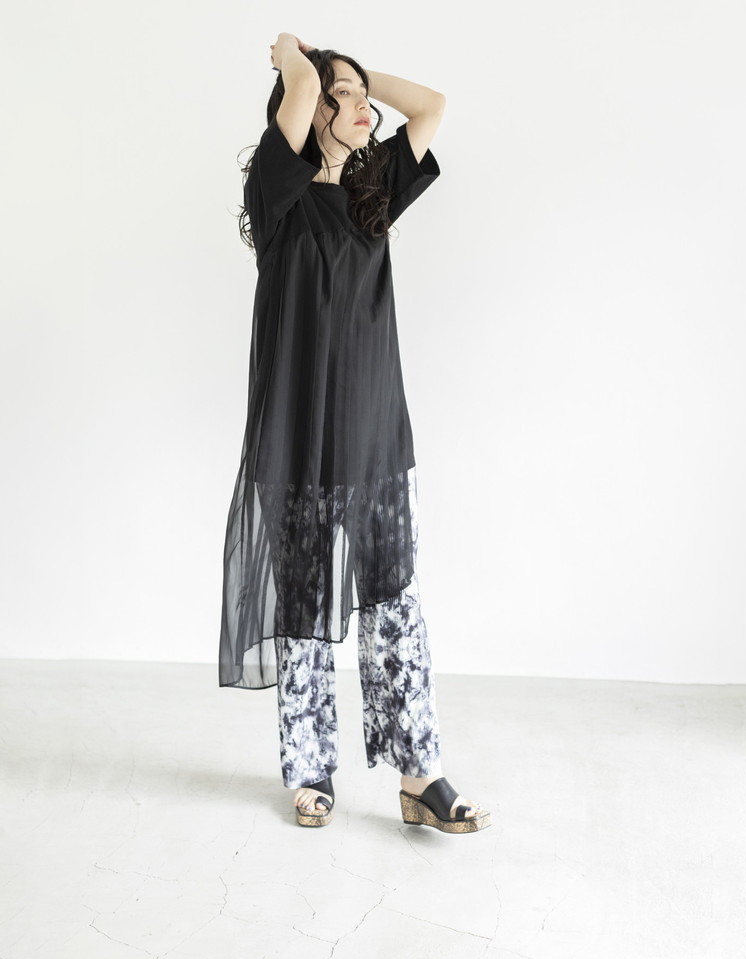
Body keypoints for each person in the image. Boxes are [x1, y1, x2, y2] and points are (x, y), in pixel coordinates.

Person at [218, 32, 491, 834]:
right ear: (306, 111)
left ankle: (420, 776)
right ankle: (310, 772)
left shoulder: (375, 193)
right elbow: (300, 91)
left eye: (361, 95)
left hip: (374, 433)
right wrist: (293, 57)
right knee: (304, 607)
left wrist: (359, 77)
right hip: (297, 438)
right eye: (341, 96)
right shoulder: (277, 193)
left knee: (396, 605)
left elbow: (431, 106)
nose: (361, 105)